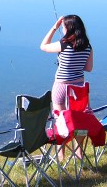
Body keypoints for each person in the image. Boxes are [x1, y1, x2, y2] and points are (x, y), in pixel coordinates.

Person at [40, 15, 93, 160]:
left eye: (63, 27)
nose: (62, 29)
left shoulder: (63, 44)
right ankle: (79, 153)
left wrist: (54, 27)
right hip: (79, 89)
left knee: (60, 121)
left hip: (61, 87)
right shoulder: (88, 46)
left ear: (68, 28)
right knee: (79, 121)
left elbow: (43, 46)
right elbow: (89, 68)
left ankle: (61, 155)